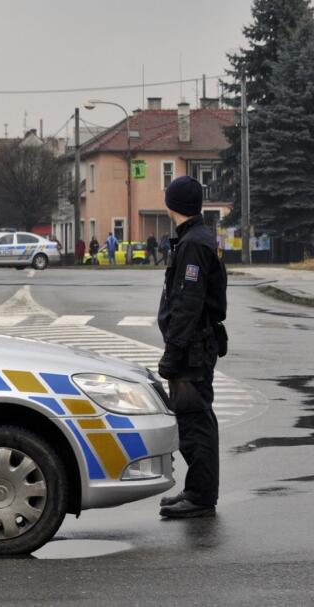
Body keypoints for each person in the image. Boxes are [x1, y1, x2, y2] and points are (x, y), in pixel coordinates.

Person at [156, 176, 227, 519]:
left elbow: (187, 302)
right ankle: (197, 489)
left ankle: (200, 497)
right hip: (194, 344)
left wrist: (172, 352)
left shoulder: (193, 244)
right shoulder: (195, 238)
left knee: (195, 421)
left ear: (173, 204)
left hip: (192, 349)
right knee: (195, 419)